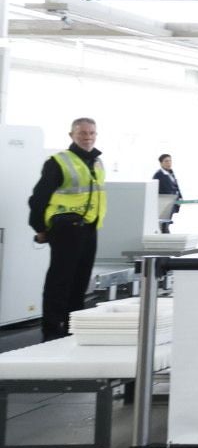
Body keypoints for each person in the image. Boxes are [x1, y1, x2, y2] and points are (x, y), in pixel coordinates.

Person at [27, 118, 106, 342]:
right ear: (71, 135)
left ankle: (73, 328)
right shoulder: (58, 162)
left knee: (81, 281)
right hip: (66, 227)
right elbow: (38, 198)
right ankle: (52, 330)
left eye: (92, 133)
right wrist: (40, 228)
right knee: (60, 280)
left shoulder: (97, 162)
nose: (88, 137)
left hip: (89, 227)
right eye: (82, 133)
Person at [153, 154, 182, 233]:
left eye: (170, 161)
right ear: (161, 163)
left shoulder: (170, 173)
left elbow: (176, 186)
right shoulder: (159, 175)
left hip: (172, 202)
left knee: (167, 222)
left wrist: (180, 197)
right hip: (164, 204)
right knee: (163, 224)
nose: (169, 163)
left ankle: (166, 235)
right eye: (166, 161)